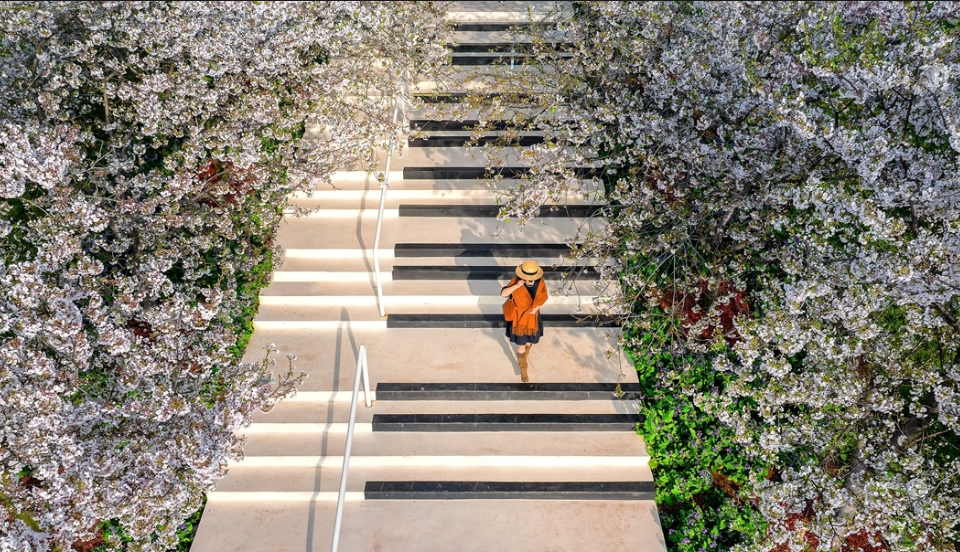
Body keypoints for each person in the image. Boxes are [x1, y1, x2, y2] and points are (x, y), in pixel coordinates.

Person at [501, 260, 548, 382]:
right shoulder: (516, 282)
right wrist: (517, 286)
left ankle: (525, 354)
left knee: (529, 343)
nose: (529, 280)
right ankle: (523, 368)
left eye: (531, 277)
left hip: (533, 318)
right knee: (521, 346)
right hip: (519, 320)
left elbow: (543, 297)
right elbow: (503, 293)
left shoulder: (540, 283)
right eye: (527, 277)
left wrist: (536, 308)